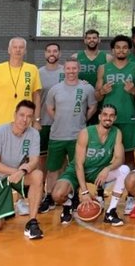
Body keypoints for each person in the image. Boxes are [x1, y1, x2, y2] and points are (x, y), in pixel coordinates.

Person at [0, 36, 42, 220]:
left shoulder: (32, 70)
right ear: (9, 50)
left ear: (25, 50)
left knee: (22, 163)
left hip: (23, 126)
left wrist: (36, 119)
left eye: (21, 47)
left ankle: (21, 200)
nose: (17, 50)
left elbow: (37, 96)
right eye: (14, 47)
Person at [51, 104, 130, 227]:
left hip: (98, 171)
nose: (107, 118)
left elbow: (120, 158)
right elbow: (78, 164)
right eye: (105, 114)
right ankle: (68, 204)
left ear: (114, 118)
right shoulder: (86, 133)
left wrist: (107, 168)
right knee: (57, 195)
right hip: (77, 171)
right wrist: (85, 192)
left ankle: (111, 212)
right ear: (99, 116)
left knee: (124, 170)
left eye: (111, 115)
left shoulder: (116, 133)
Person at [39, 59, 97, 214]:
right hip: (57, 135)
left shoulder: (87, 88)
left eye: (74, 68)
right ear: (64, 70)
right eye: (68, 68)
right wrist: (58, 118)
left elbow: (93, 106)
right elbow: (49, 107)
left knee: (77, 168)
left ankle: (75, 196)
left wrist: (84, 118)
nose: (71, 71)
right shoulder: (55, 89)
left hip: (77, 137)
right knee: (53, 169)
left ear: (78, 69)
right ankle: (50, 197)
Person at [0, 99, 44, 239]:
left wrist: (23, 171)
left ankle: (32, 222)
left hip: (16, 175)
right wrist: (15, 172)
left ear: (32, 118)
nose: (25, 119)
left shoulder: (33, 134)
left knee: (37, 175)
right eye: (22, 115)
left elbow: (34, 160)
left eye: (29, 116)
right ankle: (3, 208)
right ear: (15, 115)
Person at [95, 35, 135, 189]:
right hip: (108, 120)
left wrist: (133, 90)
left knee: (129, 157)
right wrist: (102, 91)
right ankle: (101, 194)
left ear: (129, 50)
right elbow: (96, 95)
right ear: (113, 50)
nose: (121, 50)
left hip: (128, 118)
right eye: (118, 47)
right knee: (104, 157)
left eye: (124, 47)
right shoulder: (103, 68)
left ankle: (133, 194)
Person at [36, 42, 64, 212]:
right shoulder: (38, 73)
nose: (52, 53)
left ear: (59, 53)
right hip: (43, 123)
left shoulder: (65, 72)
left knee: (60, 162)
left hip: (61, 125)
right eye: (49, 51)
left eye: (55, 51)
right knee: (42, 161)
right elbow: (35, 98)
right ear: (45, 53)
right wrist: (36, 120)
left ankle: (55, 193)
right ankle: (40, 194)